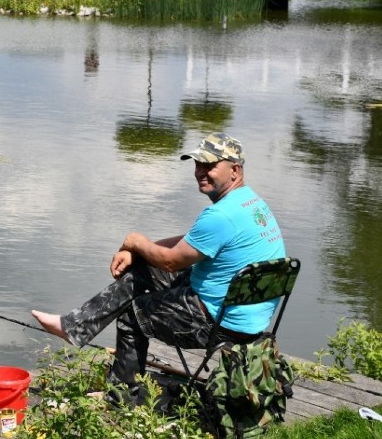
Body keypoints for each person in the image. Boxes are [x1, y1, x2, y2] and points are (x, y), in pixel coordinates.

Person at [32, 132, 285, 405]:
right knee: (144, 266)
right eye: (197, 164)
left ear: (235, 170)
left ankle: (121, 398)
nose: (200, 172)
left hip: (219, 324)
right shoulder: (250, 203)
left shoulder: (221, 215)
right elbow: (188, 243)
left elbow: (170, 261)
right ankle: (74, 326)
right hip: (249, 317)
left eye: (209, 165)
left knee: (133, 315)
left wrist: (134, 241)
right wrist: (138, 250)